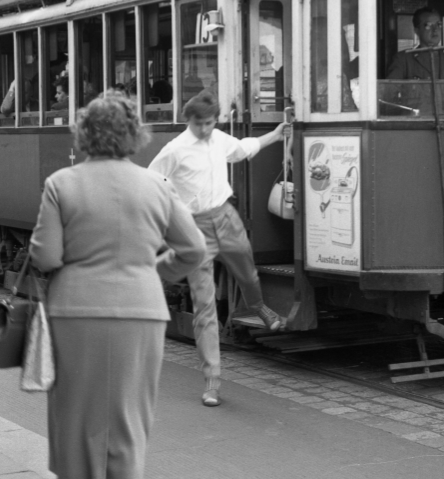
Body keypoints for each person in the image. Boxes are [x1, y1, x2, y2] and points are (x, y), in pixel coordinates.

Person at [29, 91, 205, 479]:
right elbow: (193, 249)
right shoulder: (157, 184)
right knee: (129, 416)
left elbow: (46, 257)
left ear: (84, 133)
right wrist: (151, 269)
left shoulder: (61, 183)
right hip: (142, 312)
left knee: (74, 412)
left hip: (74, 312)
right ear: (133, 134)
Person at [148, 91, 288, 407]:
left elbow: (243, 149)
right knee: (204, 304)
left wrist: (275, 136)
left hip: (225, 217)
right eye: (200, 124)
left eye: (211, 123)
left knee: (248, 271)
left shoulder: (220, 138)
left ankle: (258, 306)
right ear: (189, 120)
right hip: (193, 228)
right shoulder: (175, 150)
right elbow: (151, 182)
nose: (206, 129)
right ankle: (212, 381)